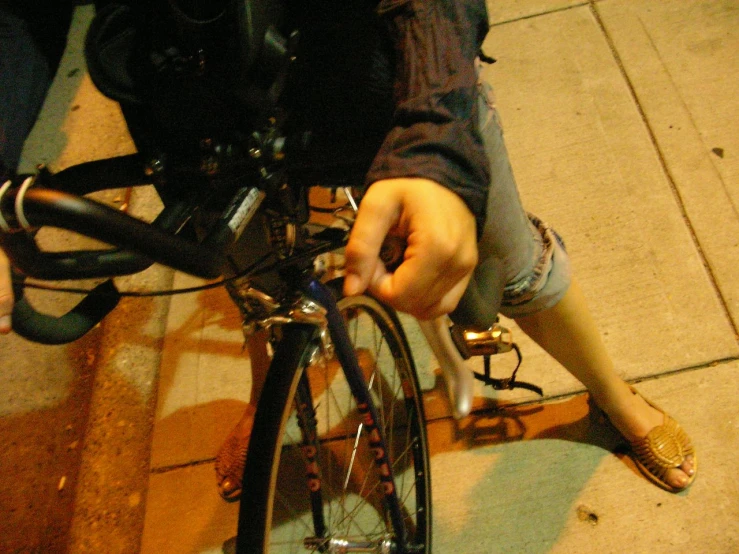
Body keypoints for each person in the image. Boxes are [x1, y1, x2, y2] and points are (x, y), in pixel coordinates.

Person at [1, 0, 696, 502]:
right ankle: (264, 398)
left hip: (379, 95)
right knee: (260, 287)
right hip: (194, 124)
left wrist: (434, 134)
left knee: (513, 269)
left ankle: (612, 394)